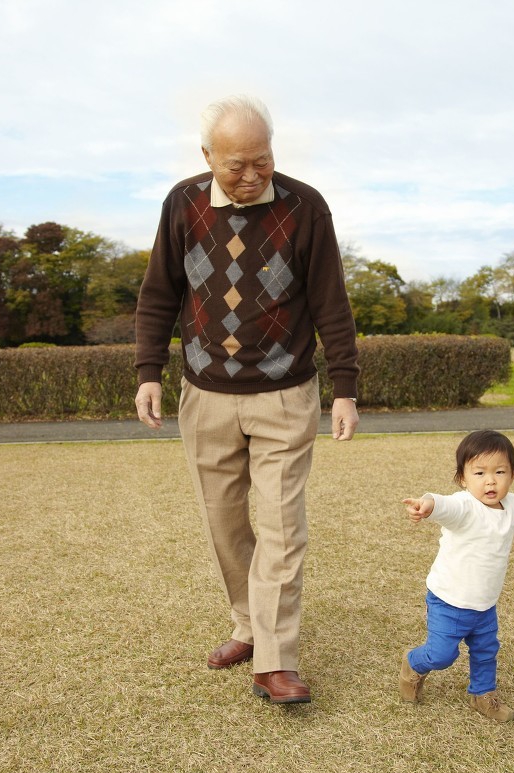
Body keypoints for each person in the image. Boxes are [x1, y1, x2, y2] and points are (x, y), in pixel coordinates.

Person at [134, 95, 360, 705]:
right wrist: (149, 371)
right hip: (205, 395)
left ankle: (275, 660)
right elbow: (160, 292)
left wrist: (345, 388)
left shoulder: (305, 207)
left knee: (282, 526)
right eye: (236, 165)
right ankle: (248, 625)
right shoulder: (182, 204)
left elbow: (330, 302)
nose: (252, 175)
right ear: (208, 156)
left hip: (285, 394)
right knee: (225, 522)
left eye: (263, 161)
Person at [400, 430, 514, 722]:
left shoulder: (513, 506)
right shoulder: (465, 507)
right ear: (463, 479)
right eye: (479, 473)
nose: (490, 481)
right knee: (441, 655)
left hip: (485, 605)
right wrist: (427, 504)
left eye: (500, 472)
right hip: (448, 601)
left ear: (512, 475)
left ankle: (482, 694)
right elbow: (444, 504)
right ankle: (413, 663)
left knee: (486, 651)